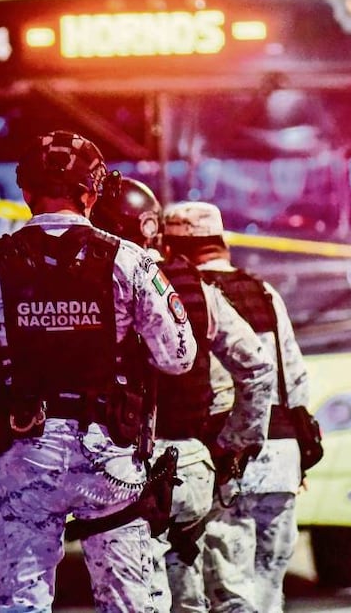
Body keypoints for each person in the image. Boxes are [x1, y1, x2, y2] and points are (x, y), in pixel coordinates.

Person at [0, 131, 197, 612]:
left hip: (24, 453)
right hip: (109, 458)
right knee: (130, 604)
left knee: (20, 603)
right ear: (91, 193)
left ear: (26, 192)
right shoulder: (128, 259)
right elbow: (179, 355)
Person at [92, 179, 274, 612]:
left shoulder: (96, 283)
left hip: (124, 470)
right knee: (194, 592)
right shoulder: (194, 289)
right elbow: (259, 368)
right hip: (192, 468)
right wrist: (233, 443)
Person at [164, 201, 308, 613]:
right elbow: (295, 381)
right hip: (281, 461)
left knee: (229, 596)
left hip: (226, 463)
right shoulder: (266, 292)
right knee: (267, 590)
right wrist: (302, 459)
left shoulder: (189, 297)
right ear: (221, 241)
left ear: (174, 249)